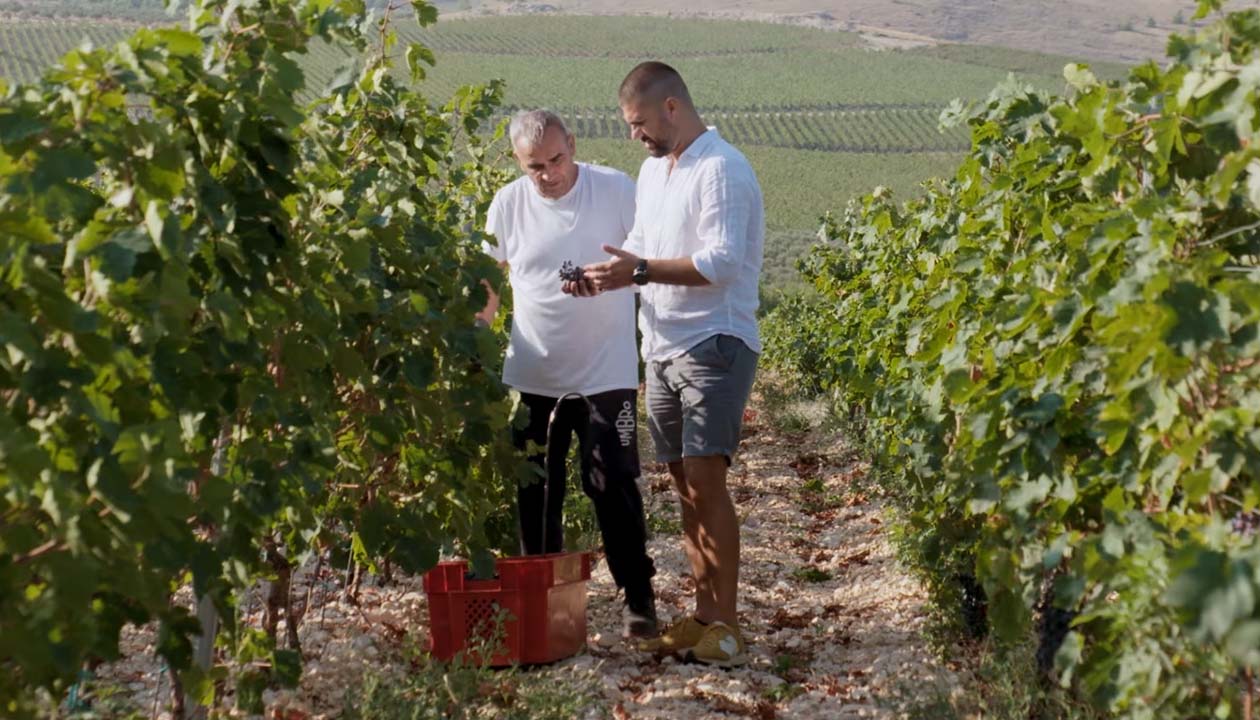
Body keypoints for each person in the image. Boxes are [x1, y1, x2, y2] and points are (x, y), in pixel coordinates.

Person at [565, 62, 764, 667]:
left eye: (640, 123)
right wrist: (609, 278)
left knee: (707, 480)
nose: (636, 136)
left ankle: (726, 626)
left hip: (714, 341)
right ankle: (703, 616)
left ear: (672, 107)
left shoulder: (722, 168)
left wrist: (641, 271)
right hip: (663, 344)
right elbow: (646, 256)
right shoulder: (653, 173)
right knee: (682, 486)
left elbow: (722, 262)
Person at [477, 109, 658, 638]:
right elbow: (489, 282)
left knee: (613, 483)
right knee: (536, 492)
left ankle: (638, 598)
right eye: (535, 166)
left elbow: (649, 256)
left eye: (556, 160)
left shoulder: (614, 189)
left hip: (608, 373)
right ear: (517, 162)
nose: (548, 174)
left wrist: (623, 282)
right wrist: (473, 338)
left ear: (572, 146)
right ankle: (543, 606)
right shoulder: (508, 204)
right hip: (533, 375)